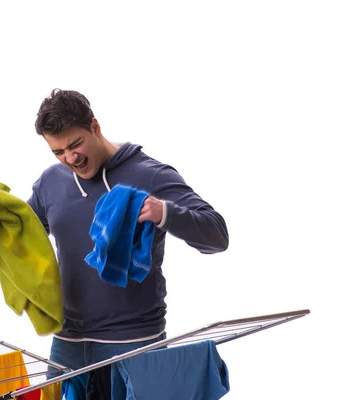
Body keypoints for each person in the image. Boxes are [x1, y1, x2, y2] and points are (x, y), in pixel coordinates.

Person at [26, 88, 229, 373]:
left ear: (95, 127)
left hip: (134, 341)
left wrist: (165, 214)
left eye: (76, 145)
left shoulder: (150, 175)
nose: (70, 158)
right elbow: (22, 238)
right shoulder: (51, 182)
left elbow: (217, 236)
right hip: (68, 343)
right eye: (58, 152)